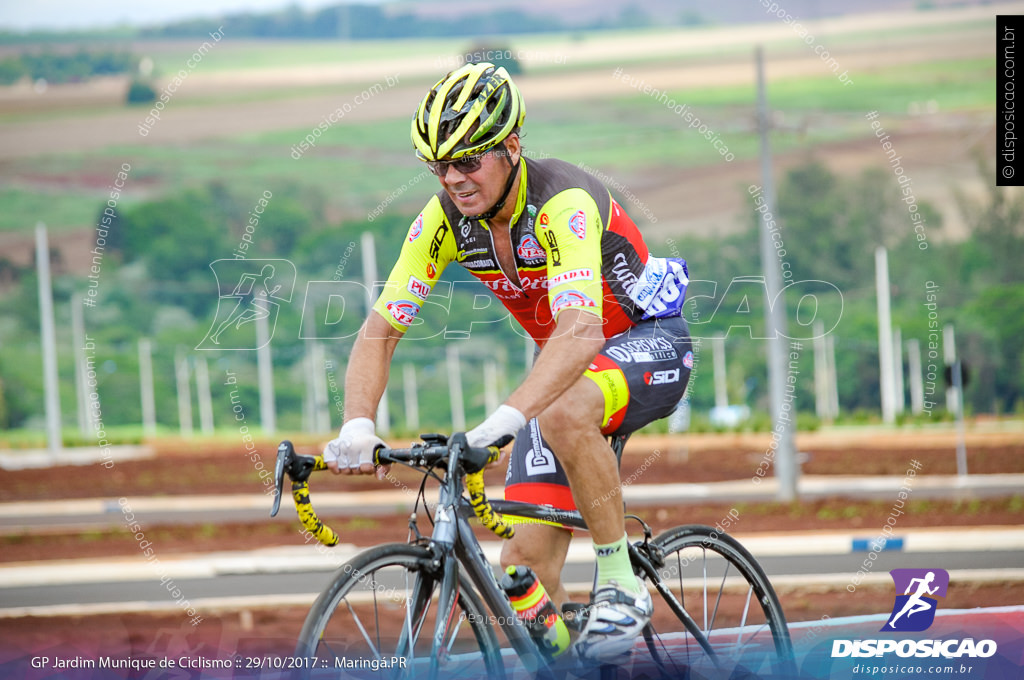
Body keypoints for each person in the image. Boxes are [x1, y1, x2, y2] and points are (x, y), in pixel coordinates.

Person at [323, 62, 693, 661]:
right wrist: (357, 424)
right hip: (570, 373)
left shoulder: (560, 203)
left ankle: (622, 583)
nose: (454, 180)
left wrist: (505, 419)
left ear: (512, 147)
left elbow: (579, 330)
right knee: (522, 569)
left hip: (649, 343)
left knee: (562, 410)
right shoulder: (442, 222)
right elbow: (380, 330)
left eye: (468, 161)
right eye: (439, 166)